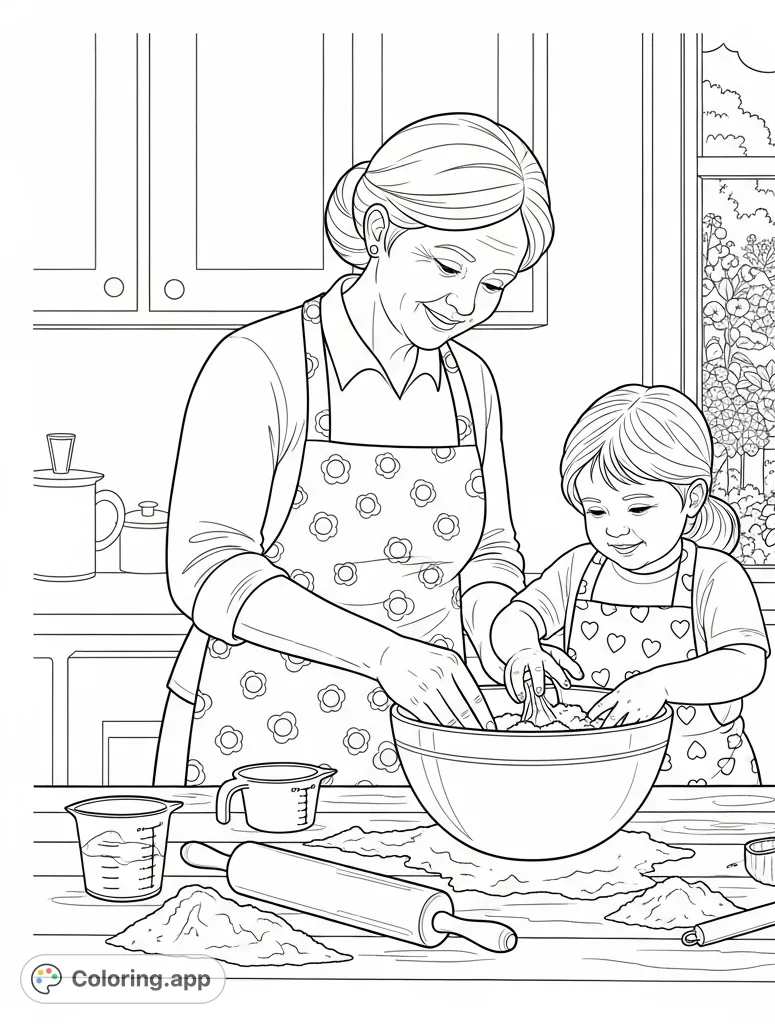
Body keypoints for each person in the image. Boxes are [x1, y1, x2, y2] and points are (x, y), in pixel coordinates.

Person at [154, 113, 553, 785]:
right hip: (261, 728)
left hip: (426, 731)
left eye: (493, 283)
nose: (466, 303)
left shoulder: (471, 384)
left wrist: (505, 636)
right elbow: (207, 568)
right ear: (379, 230)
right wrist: (385, 656)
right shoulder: (260, 364)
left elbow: (489, 554)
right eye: (448, 265)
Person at [490, 385, 769, 783]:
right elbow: (516, 616)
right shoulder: (578, 569)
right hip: (603, 776)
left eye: (637, 508)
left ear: (691, 499)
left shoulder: (715, 574)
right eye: (596, 511)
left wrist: (662, 685)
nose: (615, 528)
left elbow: (745, 664)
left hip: (698, 777)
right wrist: (522, 649)